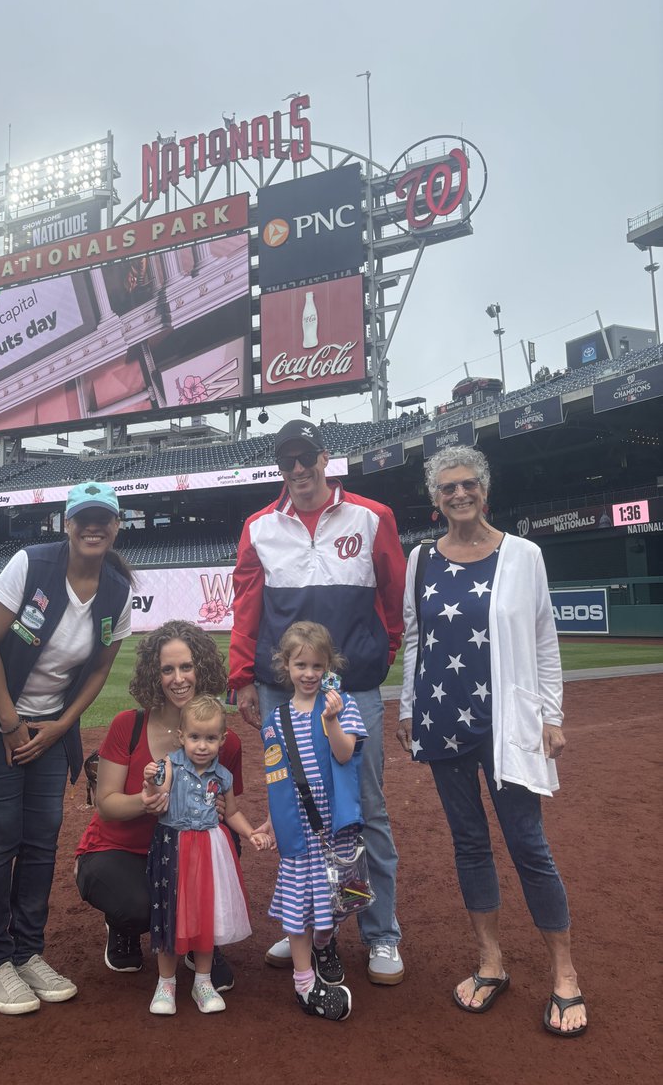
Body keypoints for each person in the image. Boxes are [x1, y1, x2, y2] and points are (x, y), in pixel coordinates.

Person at [397, 447, 587, 1037]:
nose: (459, 494)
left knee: (529, 845)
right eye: (447, 488)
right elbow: (414, 638)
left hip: (507, 727)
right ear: (435, 500)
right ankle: (491, 961)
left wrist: (552, 717)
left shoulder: (524, 554)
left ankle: (565, 974)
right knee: (470, 845)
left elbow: (544, 640)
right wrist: (407, 706)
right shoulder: (420, 558)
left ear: (485, 490)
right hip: (440, 718)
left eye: (468, 484)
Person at [229, 417, 407, 984]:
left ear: (325, 459)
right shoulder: (259, 526)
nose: (298, 470)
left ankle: (380, 933)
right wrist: (241, 677)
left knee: (363, 809)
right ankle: (304, 923)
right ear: (279, 468)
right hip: (283, 690)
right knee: (296, 810)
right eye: (287, 461)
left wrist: (380, 652)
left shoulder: (371, 516)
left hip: (351, 688)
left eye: (307, 458)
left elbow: (394, 594)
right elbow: (247, 607)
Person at [0, 481, 133, 1015]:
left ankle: (28, 952)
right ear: (67, 524)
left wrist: (61, 726)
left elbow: (101, 667)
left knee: (41, 841)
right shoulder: (31, 564)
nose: (93, 527)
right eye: (83, 518)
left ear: (116, 527)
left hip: (50, 727)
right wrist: (12, 725)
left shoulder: (117, 590)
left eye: (103, 518)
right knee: (0, 841)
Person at [75, 620, 243, 992]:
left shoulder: (222, 740)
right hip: (120, 850)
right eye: (168, 669)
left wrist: (221, 815)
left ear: (202, 667)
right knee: (139, 906)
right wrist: (145, 802)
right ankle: (122, 926)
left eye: (187, 666)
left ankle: (200, 939)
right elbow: (106, 805)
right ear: (155, 674)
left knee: (230, 842)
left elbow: (227, 807)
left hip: (182, 849)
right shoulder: (128, 725)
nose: (178, 678)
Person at [263, 622, 367, 1021]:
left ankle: (325, 943)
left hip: (337, 826)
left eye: (317, 666)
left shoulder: (342, 705)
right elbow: (276, 778)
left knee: (337, 902)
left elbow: (344, 755)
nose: (309, 673)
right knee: (298, 903)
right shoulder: (276, 719)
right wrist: (272, 821)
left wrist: (331, 721)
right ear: (286, 665)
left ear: (329, 667)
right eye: (300, 664)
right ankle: (304, 981)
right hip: (299, 830)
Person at [142, 695, 271, 1015]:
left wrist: (251, 831)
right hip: (174, 848)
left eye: (210, 738)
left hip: (210, 850)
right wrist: (149, 782)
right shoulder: (169, 764)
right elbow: (156, 795)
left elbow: (232, 813)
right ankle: (166, 983)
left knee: (205, 915)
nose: (202, 745)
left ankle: (203, 981)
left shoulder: (222, 776)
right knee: (170, 915)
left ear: (222, 740)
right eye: (195, 737)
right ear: (182, 736)